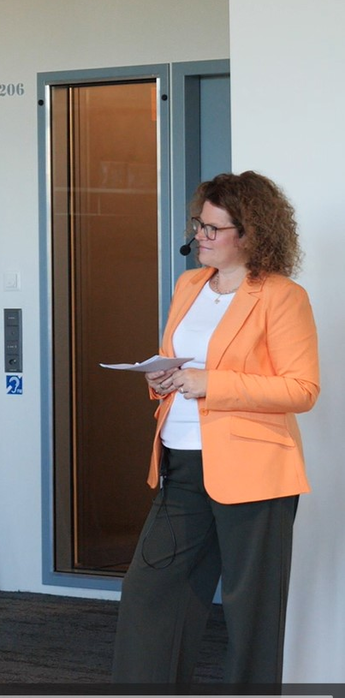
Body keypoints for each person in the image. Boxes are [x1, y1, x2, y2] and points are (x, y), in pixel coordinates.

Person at [112, 171, 318, 685]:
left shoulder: (282, 296)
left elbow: (301, 389)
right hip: (181, 464)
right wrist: (161, 380)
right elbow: (182, 365)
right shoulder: (189, 286)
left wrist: (212, 383)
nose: (199, 236)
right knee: (149, 595)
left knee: (251, 617)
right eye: (198, 225)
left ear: (249, 234)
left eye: (212, 228)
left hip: (255, 474)